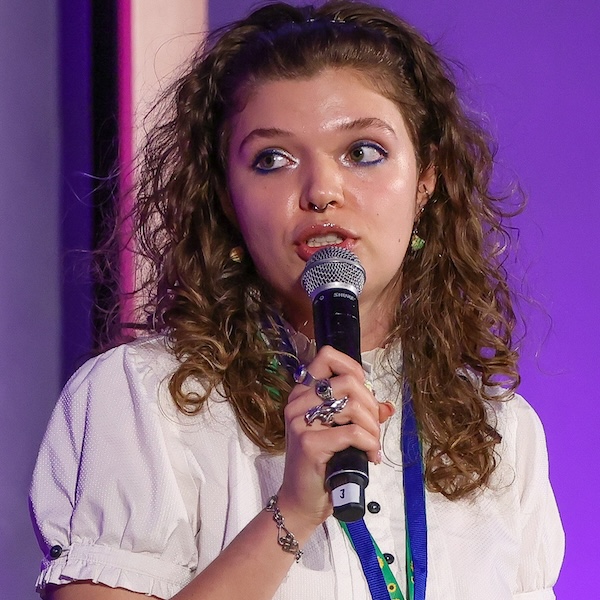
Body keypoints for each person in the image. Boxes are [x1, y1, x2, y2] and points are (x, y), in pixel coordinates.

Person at [30, 1, 564, 599]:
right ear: (227, 197)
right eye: (273, 160)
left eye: (363, 151)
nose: (322, 191)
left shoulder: (498, 431)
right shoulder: (144, 400)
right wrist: (292, 511)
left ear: (425, 181)